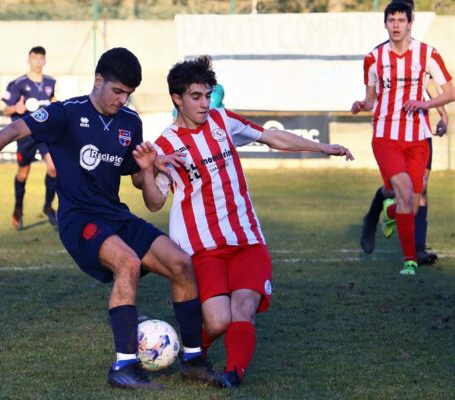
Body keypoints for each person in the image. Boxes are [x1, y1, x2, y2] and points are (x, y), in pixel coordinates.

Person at [0, 47, 220, 390]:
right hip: (78, 217)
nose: (122, 99)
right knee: (126, 262)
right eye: (117, 91)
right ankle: (124, 367)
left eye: (128, 93)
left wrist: (148, 167)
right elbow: (13, 131)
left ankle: (193, 360)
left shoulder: (130, 122)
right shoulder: (65, 113)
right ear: (98, 80)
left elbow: (137, 179)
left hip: (114, 214)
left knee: (181, 263)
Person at [133, 56, 354, 388]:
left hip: (246, 237)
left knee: (245, 306)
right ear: (177, 98)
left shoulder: (223, 121)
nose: (205, 103)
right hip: (203, 247)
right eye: (196, 96)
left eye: (208, 95)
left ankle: (233, 374)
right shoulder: (166, 144)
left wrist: (322, 147)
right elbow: (153, 203)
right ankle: (193, 354)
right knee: (219, 321)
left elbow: (272, 137)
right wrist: (149, 170)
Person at [352, 1, 455, 275]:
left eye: (401, 20)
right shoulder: (374, 58)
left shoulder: (426, 54)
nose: (396, 25)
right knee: (406, 192)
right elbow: (371, 100)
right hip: (386, 135)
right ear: (385, 23)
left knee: (415, 193)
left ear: (411, 22)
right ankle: (410, 258)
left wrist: (435, 112)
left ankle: (391, 215)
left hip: (418, 137)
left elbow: (443, 90)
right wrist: (361, 105)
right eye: (391, 20)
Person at [2, 46, 58, 230]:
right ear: (29, 60)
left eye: (41, 58)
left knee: (53, 168)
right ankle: (18, 208)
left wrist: (58, 106)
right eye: (35, 58)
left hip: (45, 133)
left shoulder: (50, 82)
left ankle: (48, 206)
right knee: (23, 173)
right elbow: (6, 110)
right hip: (26, 134)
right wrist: (15, 109)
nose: (38, 62)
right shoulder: (18, 84)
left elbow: (52, 100)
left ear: (45, 60)